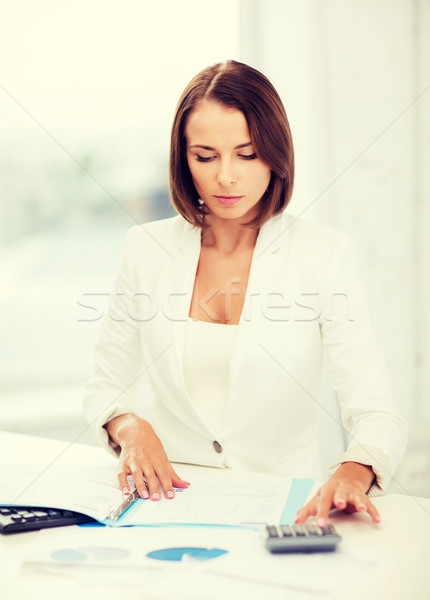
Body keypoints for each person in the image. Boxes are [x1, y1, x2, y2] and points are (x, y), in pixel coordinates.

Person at [83, 60, 407, 527]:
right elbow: (104, 386)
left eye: (247, 154)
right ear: (183, 159)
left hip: (283, 512)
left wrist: (352, 474)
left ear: (275, 154)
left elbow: (378, 413)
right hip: (168, 506)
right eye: (206, 156)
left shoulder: (325, 255)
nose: (226, 177)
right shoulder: (145, 248)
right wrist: (130, 428)